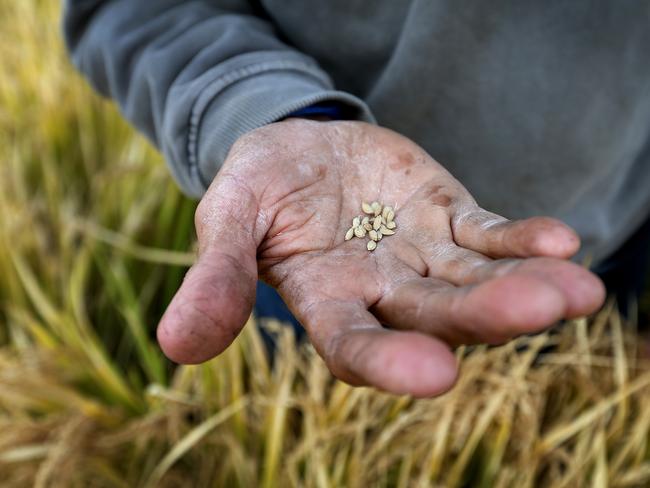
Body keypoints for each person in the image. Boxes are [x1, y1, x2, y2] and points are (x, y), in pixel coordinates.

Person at [63, 1, 650, 398]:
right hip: (322, 246)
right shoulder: (331, 237)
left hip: (622, 211)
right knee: (319, 397)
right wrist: (284, 112)